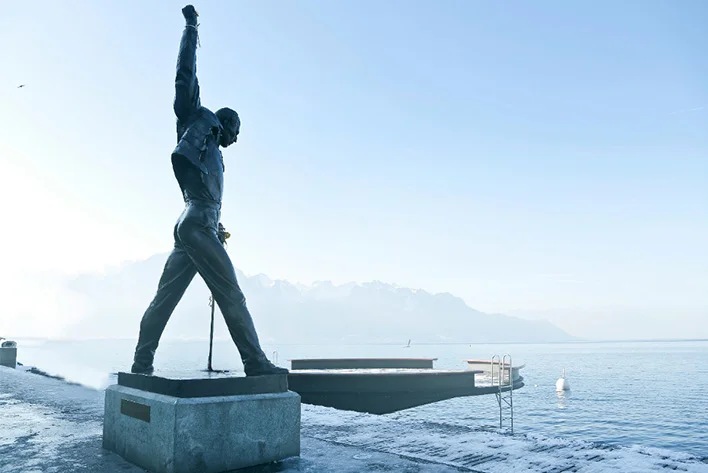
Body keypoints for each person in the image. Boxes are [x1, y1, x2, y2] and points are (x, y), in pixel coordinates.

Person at [131, 5, 287, 377]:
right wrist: (191, 29)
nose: (237, 138)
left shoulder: (213, 153)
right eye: (237, 130)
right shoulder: (196, 120)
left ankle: (141, 364)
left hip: (195, 224)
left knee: (164, 300)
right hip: (194, 223)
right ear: (228, 121)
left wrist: (217, 226)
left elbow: (206, 196)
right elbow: (185, 76)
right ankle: (256, 363)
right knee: (231, 292)